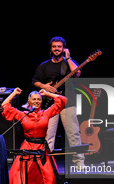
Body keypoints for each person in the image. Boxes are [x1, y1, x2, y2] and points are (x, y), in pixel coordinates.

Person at [1, 87, 66, 184]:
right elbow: (5, 105)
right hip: (27, 147)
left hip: (42, 149)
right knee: (16, 178)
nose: (36, 101)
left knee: (49, 179)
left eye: (38, 99)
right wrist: (14, 93)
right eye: (34, 99)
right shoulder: (23, 114)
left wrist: (47, 93)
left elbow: (62, 100)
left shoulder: (46, 113)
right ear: (29, 102)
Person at [32, 36, 85, 167]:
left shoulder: (68, 63)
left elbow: (77, 73)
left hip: (68, 102)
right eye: (54, 46)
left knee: (74, 134)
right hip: (50, 104)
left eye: (59, 47)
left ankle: (79, 163)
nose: (57, 49)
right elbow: (35, 81)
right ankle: (46, 163)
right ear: (51, 48)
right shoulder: (44, 65)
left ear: (64, 48)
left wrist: (68, 57)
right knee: (48, 135)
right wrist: (44, 87)